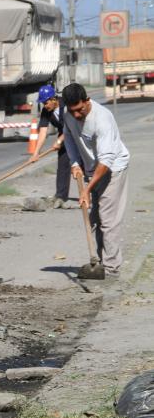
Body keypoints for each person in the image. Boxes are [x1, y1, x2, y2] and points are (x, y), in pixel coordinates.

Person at [61, 83, 130, 278]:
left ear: (87, 100)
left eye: (79, 109)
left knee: (108, 221)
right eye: (72, 110)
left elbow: (106, 161)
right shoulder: (69, 114)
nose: (76, 115)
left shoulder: (103, 118)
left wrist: (86, 189)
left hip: (113, 168)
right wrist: (75, 163)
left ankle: (111, 270)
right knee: (95, 219)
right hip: (93, 169)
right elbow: (68, 137)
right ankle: (98, 262)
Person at [30, 85, 72, 208]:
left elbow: (71, 126)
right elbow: (43, 131)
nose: (45, 105)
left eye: (46, 102)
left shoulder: (66, 105)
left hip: (77, 134)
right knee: (63, 165)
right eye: (43, 103)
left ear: (54, 99)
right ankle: (61, 197)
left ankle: (94, 193)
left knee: (84, 166)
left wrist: (59, 141)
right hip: (63, 136)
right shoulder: (46, 111)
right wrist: (36, 153)